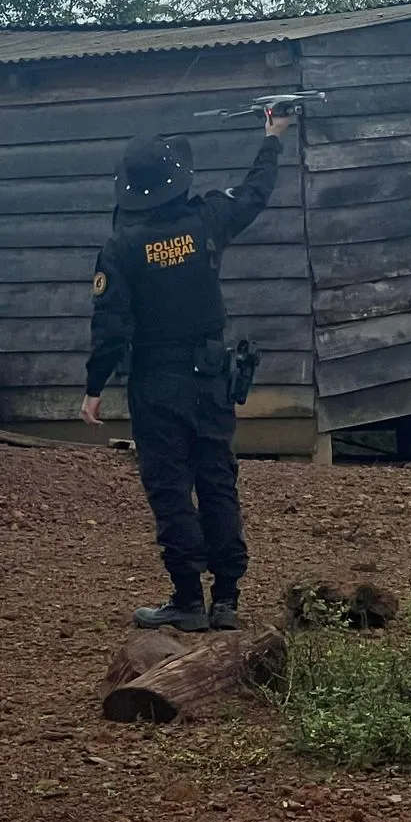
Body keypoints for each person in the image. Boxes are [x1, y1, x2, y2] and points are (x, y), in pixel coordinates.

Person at [80, 111, 294, 632]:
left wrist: (93, 389)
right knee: (217, 480)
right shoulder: (209, 219)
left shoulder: (121, 248)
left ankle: (186, 599)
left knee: (170, 487)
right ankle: (227, 600)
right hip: (211, 375)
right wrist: (272, 139)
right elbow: (255, 193)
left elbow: (110, 329)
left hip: (156, 384)